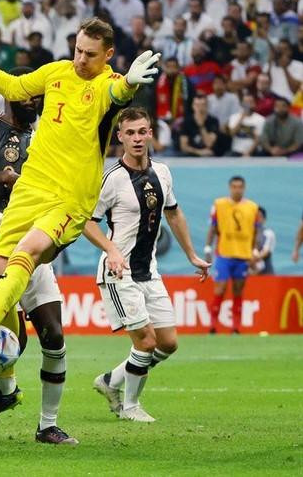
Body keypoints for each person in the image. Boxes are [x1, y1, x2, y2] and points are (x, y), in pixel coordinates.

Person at [0, 19, 160, 364]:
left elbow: (119, 94)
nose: (81, 59)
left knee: (26, 252)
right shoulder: (57, 71)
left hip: (69, 197)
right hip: (32, 186)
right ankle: (3, 370)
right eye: (78, 50)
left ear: (108, 55)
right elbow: (13, 87)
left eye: (90, 54)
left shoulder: (107, 83)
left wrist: (131, 82)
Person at [0, 66, 75, 444]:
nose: (35, 101)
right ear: (11, 93)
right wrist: (3, 179)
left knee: (54, 336)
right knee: (11, 342)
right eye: (29, 94)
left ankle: (47, 425)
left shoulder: (45, 140)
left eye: (40, 96)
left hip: (33, 241)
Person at [83, 107, 209, 423]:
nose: (137, 138)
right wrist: (111, 250)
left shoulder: (163, 172)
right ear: (120, 137)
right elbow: (86, 221)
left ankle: (111, 381)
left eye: (142, 132)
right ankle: (130, 407)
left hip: (148, 272)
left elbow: (174, 213)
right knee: (146, 341)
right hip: (118, 272)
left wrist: (191, 255)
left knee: (167, 344)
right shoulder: (111, 179)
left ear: (150, 133)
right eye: (130, 133)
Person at [205, 176, 260, 334]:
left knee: (238, 290)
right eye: (234, 187)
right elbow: (213, 228)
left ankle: (236, 327)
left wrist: (255, 251)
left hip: (244, 255)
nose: (237, 190)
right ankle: (212, 326)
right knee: (220, 288)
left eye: (240, 187)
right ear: (230, 188)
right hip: (224, 254)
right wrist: (208, 248)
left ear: (244, 188)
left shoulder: (253, 207)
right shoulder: (219, 204)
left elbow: (256, 232)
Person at [252, 207, 276, 274]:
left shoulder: (268, 233)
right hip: (249, 273)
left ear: (264, 219)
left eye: (259, 217)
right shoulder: (247, 234)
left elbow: (266, 252)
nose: (257, 219)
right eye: (255, 217)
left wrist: (253, 260)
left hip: (266, 273)